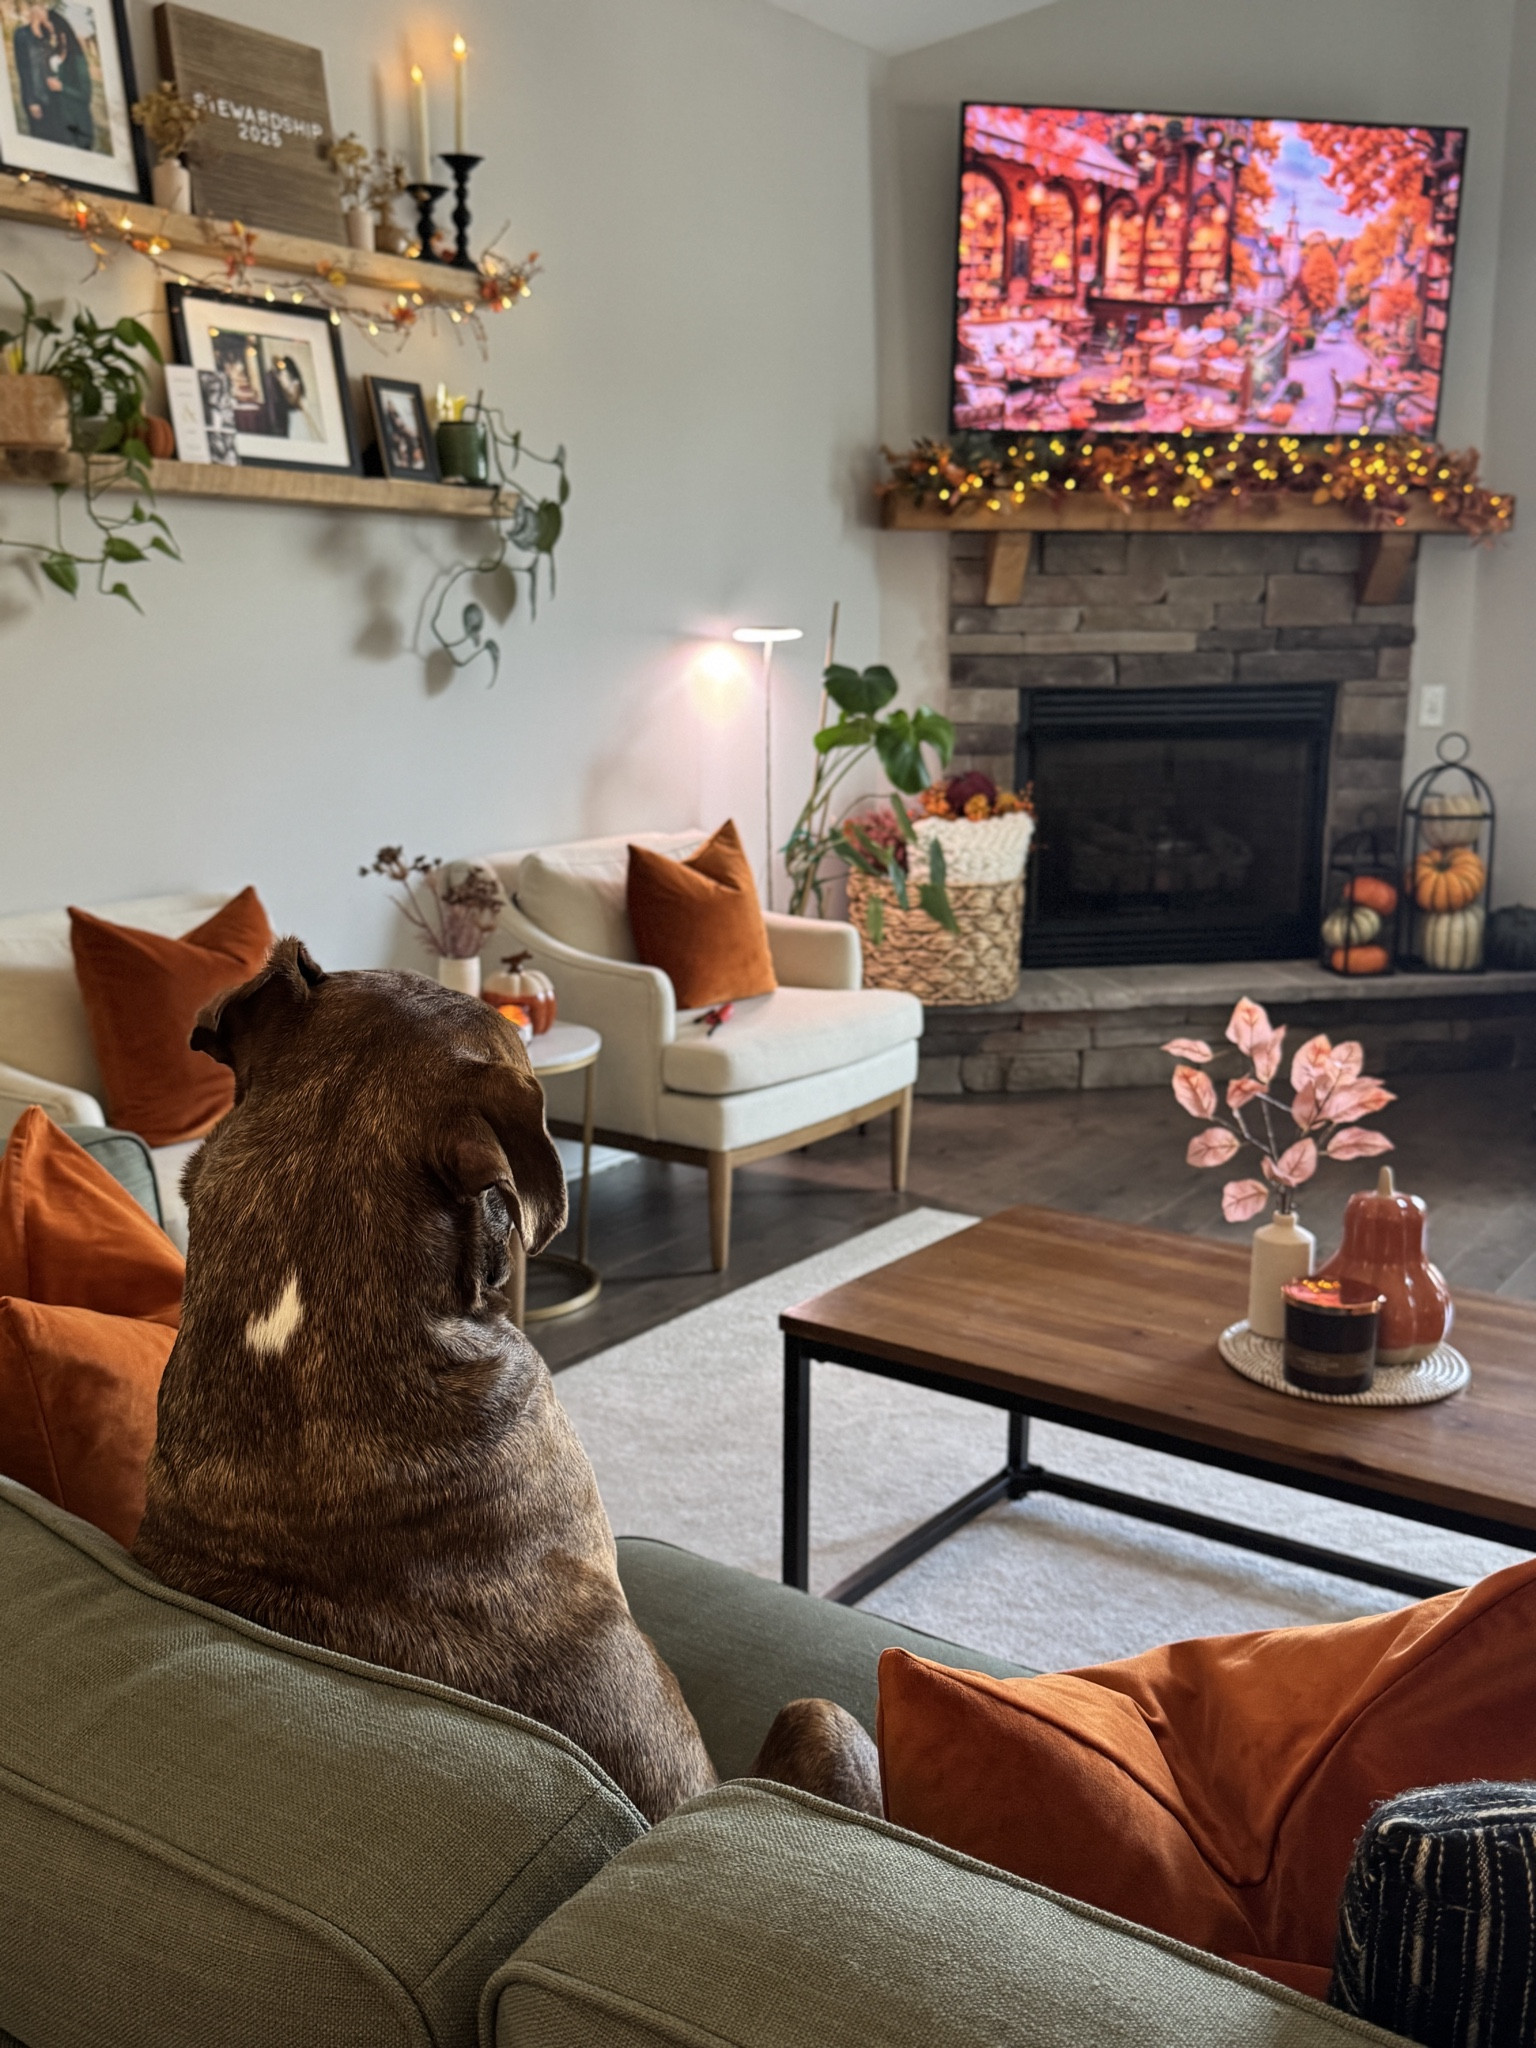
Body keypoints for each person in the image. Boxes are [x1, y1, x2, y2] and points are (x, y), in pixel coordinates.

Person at [12, 4, 93, 150]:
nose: (50, 30)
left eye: (51, 25)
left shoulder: (76, 59)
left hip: (74, 125)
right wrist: (31, 100)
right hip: (52, 111)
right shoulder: (49, 48)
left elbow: (85, 95)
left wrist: (62, 87)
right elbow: (29, 65)